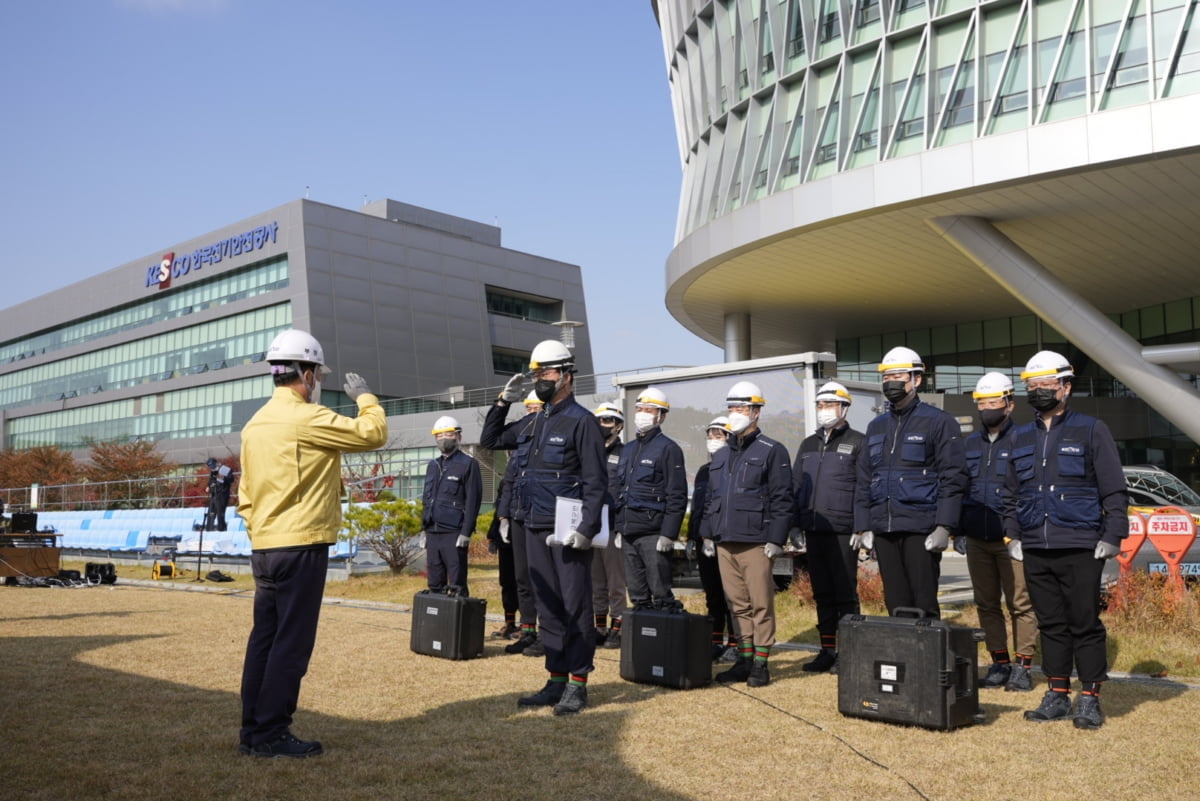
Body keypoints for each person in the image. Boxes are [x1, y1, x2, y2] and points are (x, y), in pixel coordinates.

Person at [237, 328, 387, 758]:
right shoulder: (305, 417)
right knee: (292, 643)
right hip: (301, 544)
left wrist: (260, 530)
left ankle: (253, 731)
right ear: (306, 372)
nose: (318, 380)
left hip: (265, 546)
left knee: (263, 639)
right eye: (317, 373)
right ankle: (271, 733)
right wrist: (366, 398)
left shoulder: (254, 425)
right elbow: (371, 434)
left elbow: (245, 494)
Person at [480, 339, 607, 715]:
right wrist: (502, 402)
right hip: (533, 524)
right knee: (548, 606)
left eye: (547, 373)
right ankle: (555, 678)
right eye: (537, 374)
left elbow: (596, 482)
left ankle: (578, 683)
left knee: (575, 605)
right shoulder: (535, 419)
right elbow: (490, 440)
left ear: (567, 376)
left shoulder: (582, 421)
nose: (541, 380)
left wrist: (586, 529)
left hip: (567, 531)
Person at [1004, 351, 1127, 730]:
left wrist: (1113, 534)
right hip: (1036, 548)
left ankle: (1089, 698)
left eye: (1046, 385)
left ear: (1066, 387)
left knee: (1084, 622)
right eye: (1032, 386)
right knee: (1051, 623)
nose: (1038, 391)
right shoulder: (1021, 436)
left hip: (1080, 544)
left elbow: (1114, 488)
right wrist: (1013, 535)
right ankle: (1056, 693)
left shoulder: (1091, 429)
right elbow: (1009, 494)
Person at [852, 346, 967, 619]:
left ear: (916, 380)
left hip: (921, 527)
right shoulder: (876, 426)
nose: (891, 382)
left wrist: (944, 526)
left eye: (899, 375)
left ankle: (927, 661)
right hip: (884, 529)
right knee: (896, 603)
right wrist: (862, 525)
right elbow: (865, 478)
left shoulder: (939, 422)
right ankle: (903, 661)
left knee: (923, 602)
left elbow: (953, 476)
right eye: (887, 376)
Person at [701, 381, 794, 688]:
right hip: (725, 540)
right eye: (731, 408)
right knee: (736, 604)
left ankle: (761, 663)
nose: (735, 413)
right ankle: (743, 657)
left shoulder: (772, 450)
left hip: (756, 540)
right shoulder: (722, 454)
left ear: (756, 412)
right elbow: (713, 499)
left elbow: (783, 498)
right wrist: (707, 535)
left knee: (760, 603)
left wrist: (776, 539)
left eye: (741, 408)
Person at [960, 372, 1038, 692]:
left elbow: (1030, 489)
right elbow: (960, 488)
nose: (987, 408)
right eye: (982, 403)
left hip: (1012, 537)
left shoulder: (1025, 439)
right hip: (977, 537)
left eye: (994, 402)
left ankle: (1023, 666)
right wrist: (958, 530)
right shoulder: (968, 444)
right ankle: (999, 662)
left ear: (1009, 404)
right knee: (986, 603)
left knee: (1021, 602)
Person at [791, 381, 863, 674]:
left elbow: (864, 488)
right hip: (814, 528)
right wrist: (795, 524)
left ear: (844, 408)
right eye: (820, 405)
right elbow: (796, 486)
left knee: (845, 592)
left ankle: (849, 653)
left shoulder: (859, 441)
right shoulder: (808, 444)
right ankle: (827, 649)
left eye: (829, 405)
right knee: (822, 593)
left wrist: (862, 527)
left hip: (844, 529)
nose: (824, 411)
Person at [614, 387, 688, 612]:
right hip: (628, 533)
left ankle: (664, 638)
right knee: (637, 594)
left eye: (649, 409)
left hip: (653, 533)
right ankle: (643, 641)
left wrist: (668, 534)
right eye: (639, 409)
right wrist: (618, 527)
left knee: (660, 592)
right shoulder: (627, 449)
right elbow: (620, 490)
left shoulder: (669, 449)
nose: (642, 413)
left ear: (661, 416)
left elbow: (677, 494)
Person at [484, 390, 545, 656]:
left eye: (536, 408)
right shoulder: (522, 435)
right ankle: (528, 630)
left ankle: (550, 632)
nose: (531, 413)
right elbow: (508, 480)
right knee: (522, 578)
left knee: (545, 579)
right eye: (528, 408)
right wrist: (503, 516)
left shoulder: (565, 428)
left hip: (545, 516)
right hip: (519, 515)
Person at [687, 416, 738, 662]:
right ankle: (715, 640)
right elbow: (698, 506)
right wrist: (691, 537)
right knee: (713, 594)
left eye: (718, 436)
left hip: (724, 538)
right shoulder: (704, 471)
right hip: (702, 540)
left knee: (732, 595)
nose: (712, 441)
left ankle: (736, 642)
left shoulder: (734, 466)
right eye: (710, 436)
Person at [421, 416, 482, 596]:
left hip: (454, 531)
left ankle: (459, 618)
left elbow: (473, 501)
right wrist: (423, 529)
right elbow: (427, 499)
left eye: (448, 434)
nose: (444, 439)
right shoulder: (433, 465)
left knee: (457, 582)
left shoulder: (468, 464)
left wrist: (466, 532)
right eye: (439, 436)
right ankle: (437, 619)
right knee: (434, 580)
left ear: (458, 437)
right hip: (432, 530)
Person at [591, 402, 627, 649]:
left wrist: (623, 526)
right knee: (596, 581)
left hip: (613, 524)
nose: (602, 425)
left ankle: (618, 626)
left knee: (616, 580)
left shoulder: (625, 453)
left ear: (618, 425)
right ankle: (599, 626)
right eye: (599, 421)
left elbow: (626, 490)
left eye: (607, 421)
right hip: (592, 524)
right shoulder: (589, 451)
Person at [205, 457, 233, 532]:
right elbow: (211, 481)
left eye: (212, 466)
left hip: (222, 494)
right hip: (214, 494)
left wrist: (222, 477)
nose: (211, 468)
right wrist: (208, 486)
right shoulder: (213, 472)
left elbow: (231, 479)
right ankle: (209, 528)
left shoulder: (224, 469)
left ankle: (221, 528)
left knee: (220, 512)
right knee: (211, 511)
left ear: (216, 463)